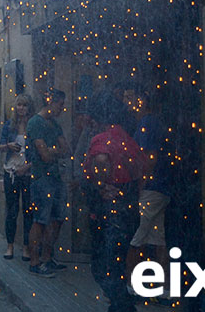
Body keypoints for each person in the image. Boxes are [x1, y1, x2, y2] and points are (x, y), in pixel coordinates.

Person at [83, 95, 142, 312]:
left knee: (103, 268)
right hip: (129, 206)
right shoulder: (127, 138)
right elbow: (140, 169)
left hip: (110, 209)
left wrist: (101, 185)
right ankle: (120, 306)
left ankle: (123, 308)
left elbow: (100, 160)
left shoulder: (102, 138)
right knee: (115, 266)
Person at [126, 90, 172, 285]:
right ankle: (163, 287)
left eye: (131, 98)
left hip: (151, 189)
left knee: (135, 237)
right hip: (160, 188)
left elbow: (149, 158)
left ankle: (129, 286)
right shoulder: (150, 122)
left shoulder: (147, 123)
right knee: (157, 238)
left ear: (143, 101)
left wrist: (140, 185)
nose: (127, 102)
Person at [26, 88, 70, 277]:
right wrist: (54, 151)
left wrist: (51, 151)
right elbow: (43, 155)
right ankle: (35, 261)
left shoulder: (54, 123)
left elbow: (66, 149)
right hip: (41, 178)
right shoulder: (36, 123)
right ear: (50, 102)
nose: (63, 108)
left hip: (56, 177)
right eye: (60, 104)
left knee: (57, 219)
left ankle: (47, 258)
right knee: (40, 220)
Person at [0, 93, 34, 260]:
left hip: (28, 173)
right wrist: (8, 145)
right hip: (11, 172)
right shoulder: (9, 125)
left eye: (24, 105)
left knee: (28, 211)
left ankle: (26, 247)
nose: (21, 108)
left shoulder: (33, 126)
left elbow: (36, 152)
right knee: (12, 210)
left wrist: (28, 166)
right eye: (19, 105)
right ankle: (10, 246)